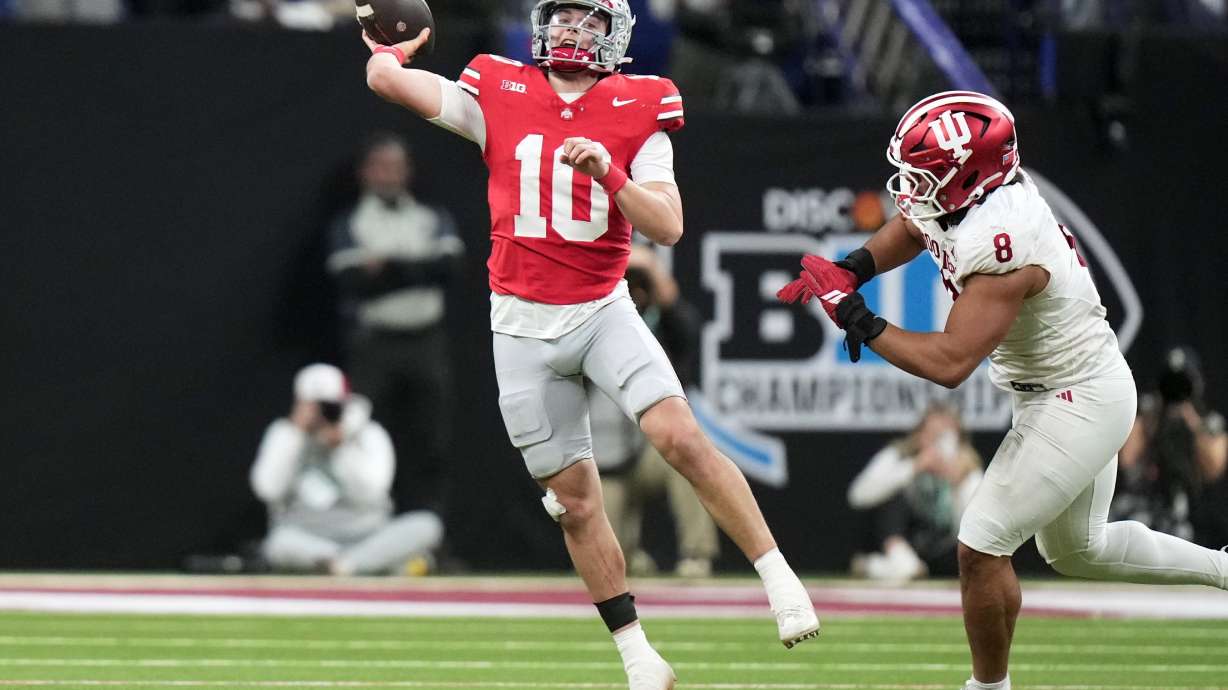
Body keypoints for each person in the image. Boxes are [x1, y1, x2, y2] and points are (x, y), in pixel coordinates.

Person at [360, 3, 818, 687]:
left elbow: (667, 226)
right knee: (574, 503)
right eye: (562, 17)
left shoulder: (642, 101)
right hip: (518, 324)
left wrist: (612, 173)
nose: (572, 31)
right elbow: (388, 83)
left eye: (589, 21)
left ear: (616, 36)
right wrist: (389, 48)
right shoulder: (499, 84)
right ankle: (637, 653)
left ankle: (780, 579)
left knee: (681, 437)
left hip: (602, 310)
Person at [777, 90, 1228, 690]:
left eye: (927, 174)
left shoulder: (1003, 236)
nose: (910, 187)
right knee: (1076, 552)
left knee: (980, 544)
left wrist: (859, 318)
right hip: (1069, 386)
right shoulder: (970, 195)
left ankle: (989, 687)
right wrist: (853, 269)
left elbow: (951, 361)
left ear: (969, 176)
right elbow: (915, 226)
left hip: (1076, 396)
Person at [327, 132, 463, 517]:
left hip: (425, 342)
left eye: (396, 167)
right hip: (374, 344)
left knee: (431, 439)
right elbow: (350, 281)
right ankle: (364, 523)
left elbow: (450, 269)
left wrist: (386, 267)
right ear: (365, 173)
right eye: (381, 167)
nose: (389, 175)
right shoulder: (350, 221)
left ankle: (428, 531)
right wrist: (417, 268)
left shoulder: (430, 217)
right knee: (362, 432)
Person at [593, 245, 719, 578]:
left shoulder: (661, 325)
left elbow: (686, 330)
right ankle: (629, 556)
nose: (632, 291)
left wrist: (651, 268)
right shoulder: (591, 323)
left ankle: (697, 554)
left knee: (688, 459)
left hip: (652, 442)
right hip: (608, 451)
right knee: (607, 558)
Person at [250, 364, 444, 575]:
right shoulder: (284, 435)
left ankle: (345, 565)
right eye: (314, 406)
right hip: (308, 537)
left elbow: (372, 492)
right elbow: (267, 490)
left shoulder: (368, 434)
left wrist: (341, 446)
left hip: (368, 534)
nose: (322, 414)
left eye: (329, 406)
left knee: (428, 525)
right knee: (279, 544)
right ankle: (366, 564)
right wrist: (295, 435)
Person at [848, 403, 982, 581]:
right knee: (891, 492)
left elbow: (980, 526)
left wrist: (957, 482)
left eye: (944, 437)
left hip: (943, 549)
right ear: (919, 434)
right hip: (902, 541)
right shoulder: (900, 455)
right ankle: (902, 562)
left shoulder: (967, 468)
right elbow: (858, 496)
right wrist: (913, 467)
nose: (937, 443)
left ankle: (874, 566)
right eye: (932, 434)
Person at [1115, 346, 1227, 544]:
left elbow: (1213, 470)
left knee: (1177, 536)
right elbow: (1127, 460)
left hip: (1187, 511)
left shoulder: (1208, 422)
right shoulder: (1148, 414)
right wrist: (1154, 420)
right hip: (1142, 504)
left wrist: (1191, 422)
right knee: (1117, 528)